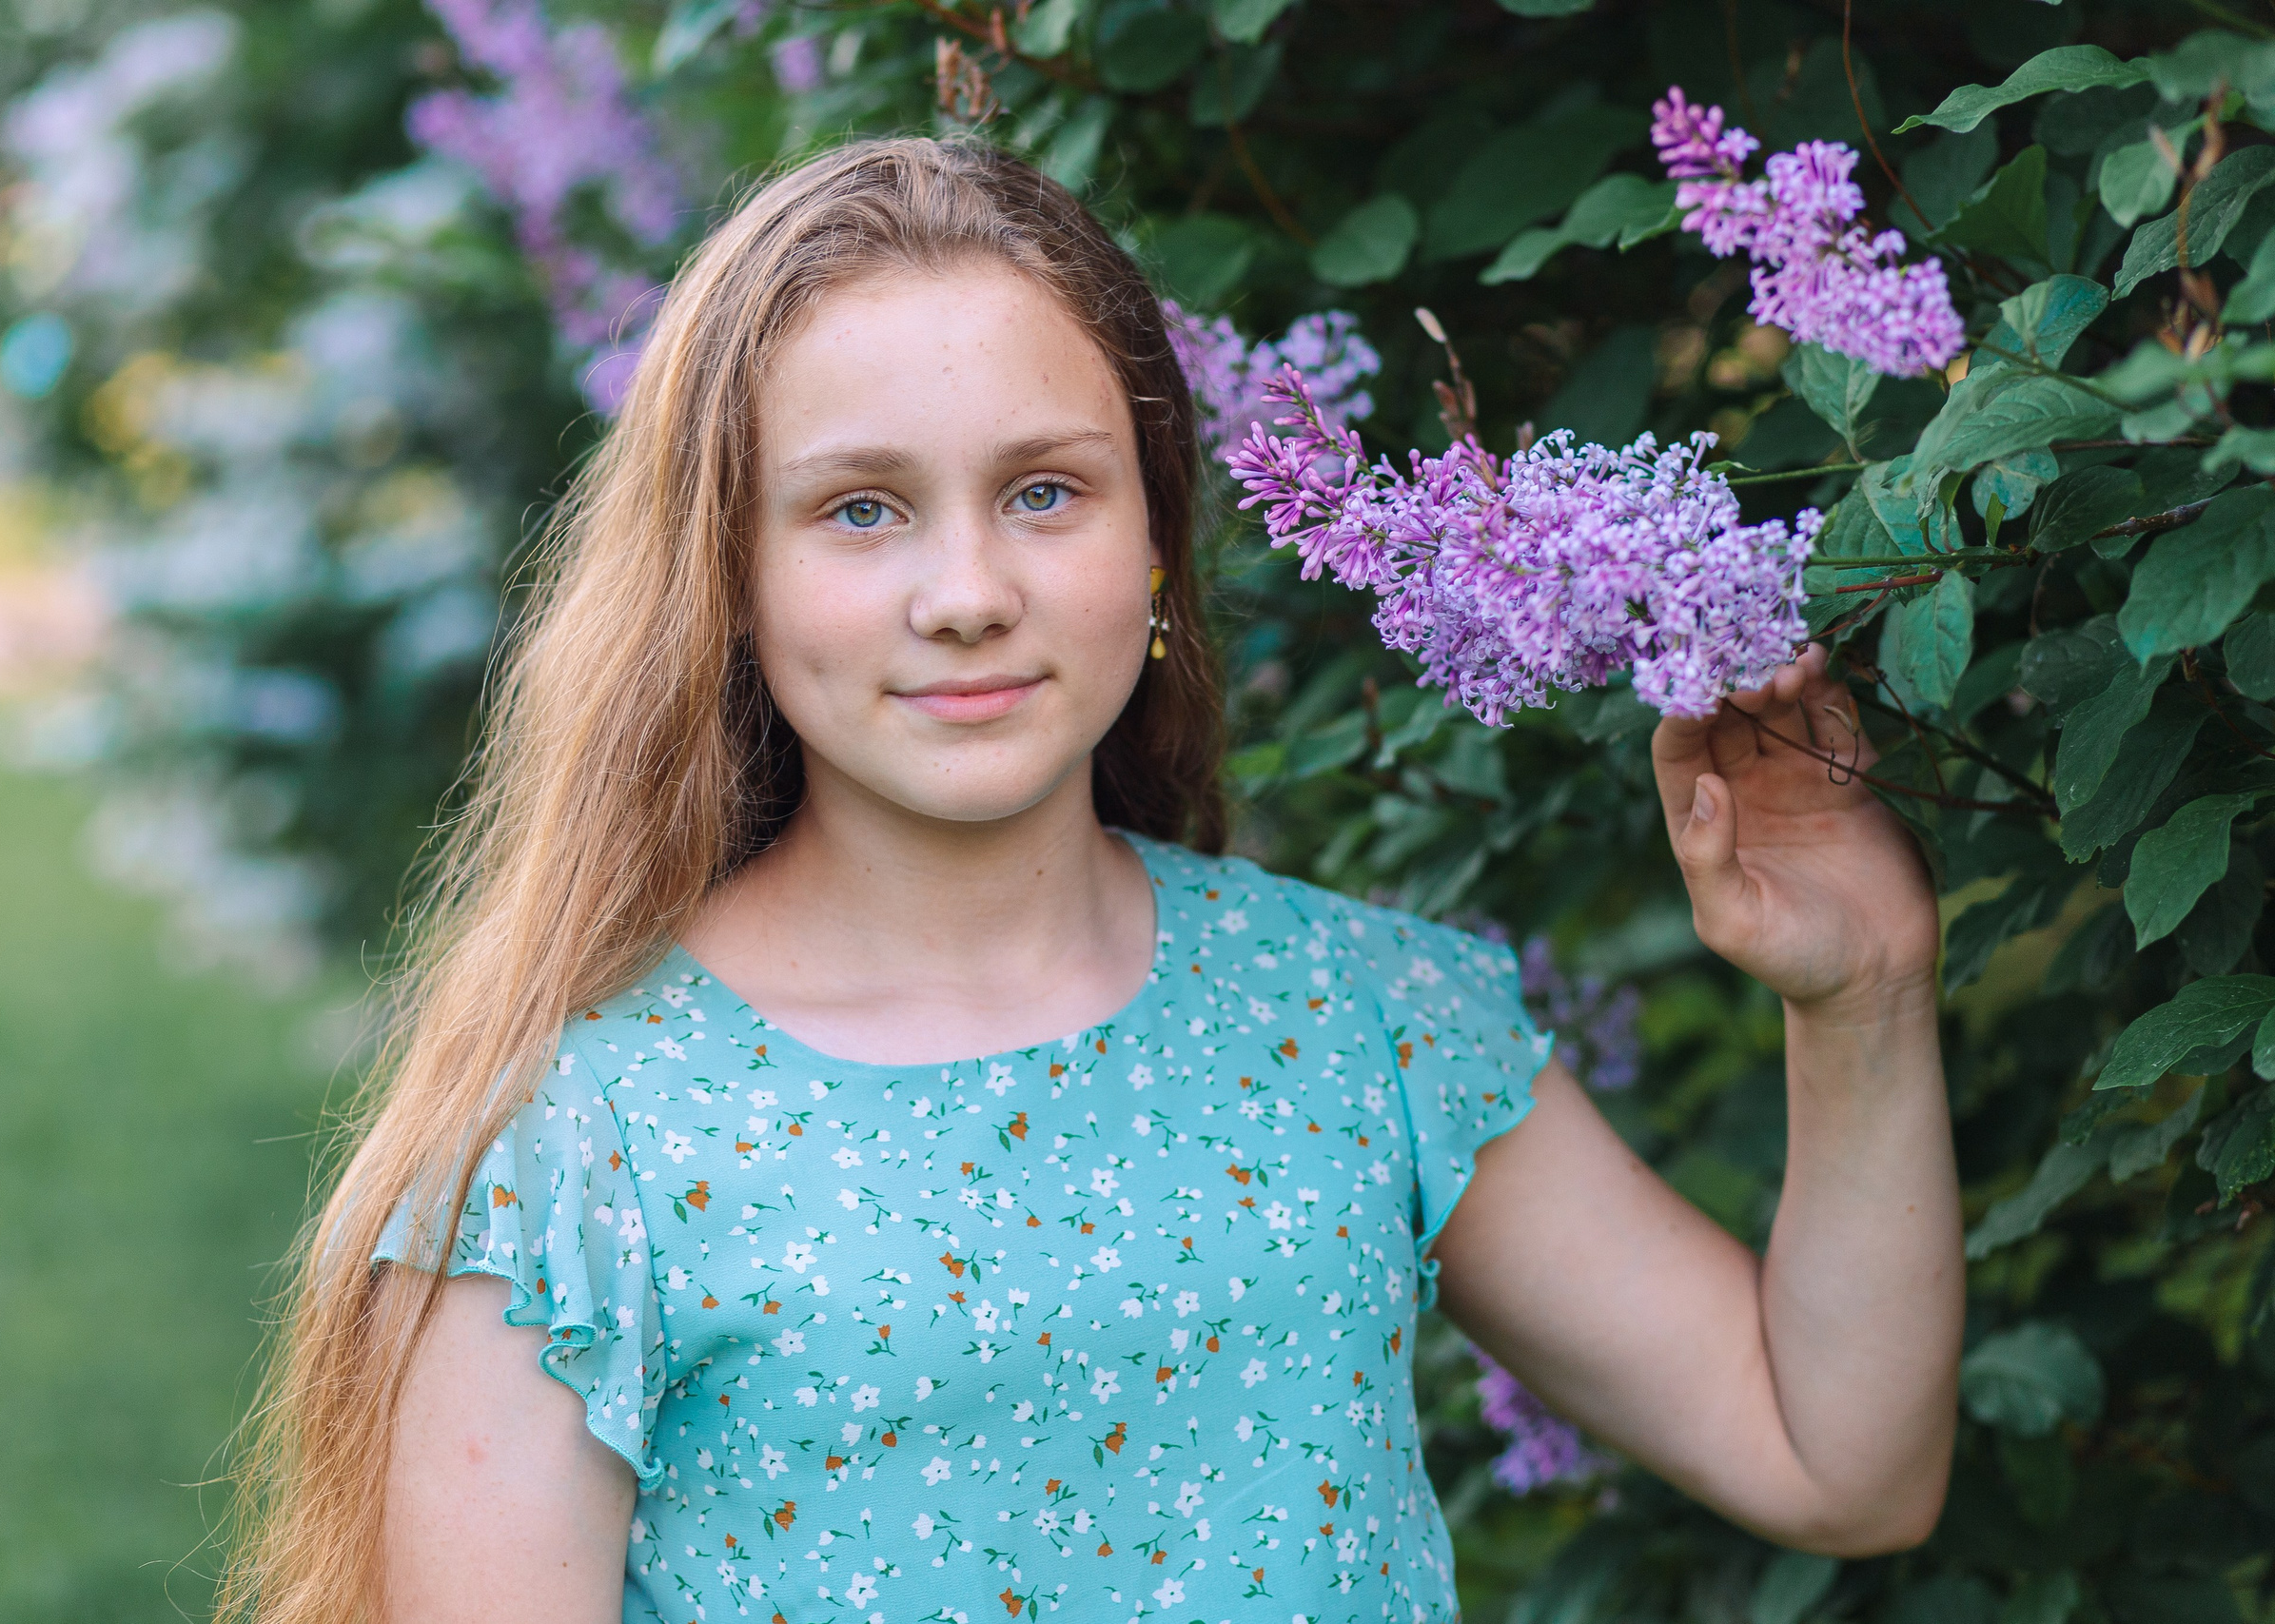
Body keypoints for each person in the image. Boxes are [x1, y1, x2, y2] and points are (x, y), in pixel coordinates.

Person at [223, 137, 1959, 1624]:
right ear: (726, 576)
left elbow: (1840, 1462)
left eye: (1045, 490)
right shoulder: (572, 1152)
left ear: (1154, 541)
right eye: (861, 512)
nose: (967, 589)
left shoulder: (1361, 1021)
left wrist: (1864, 996)